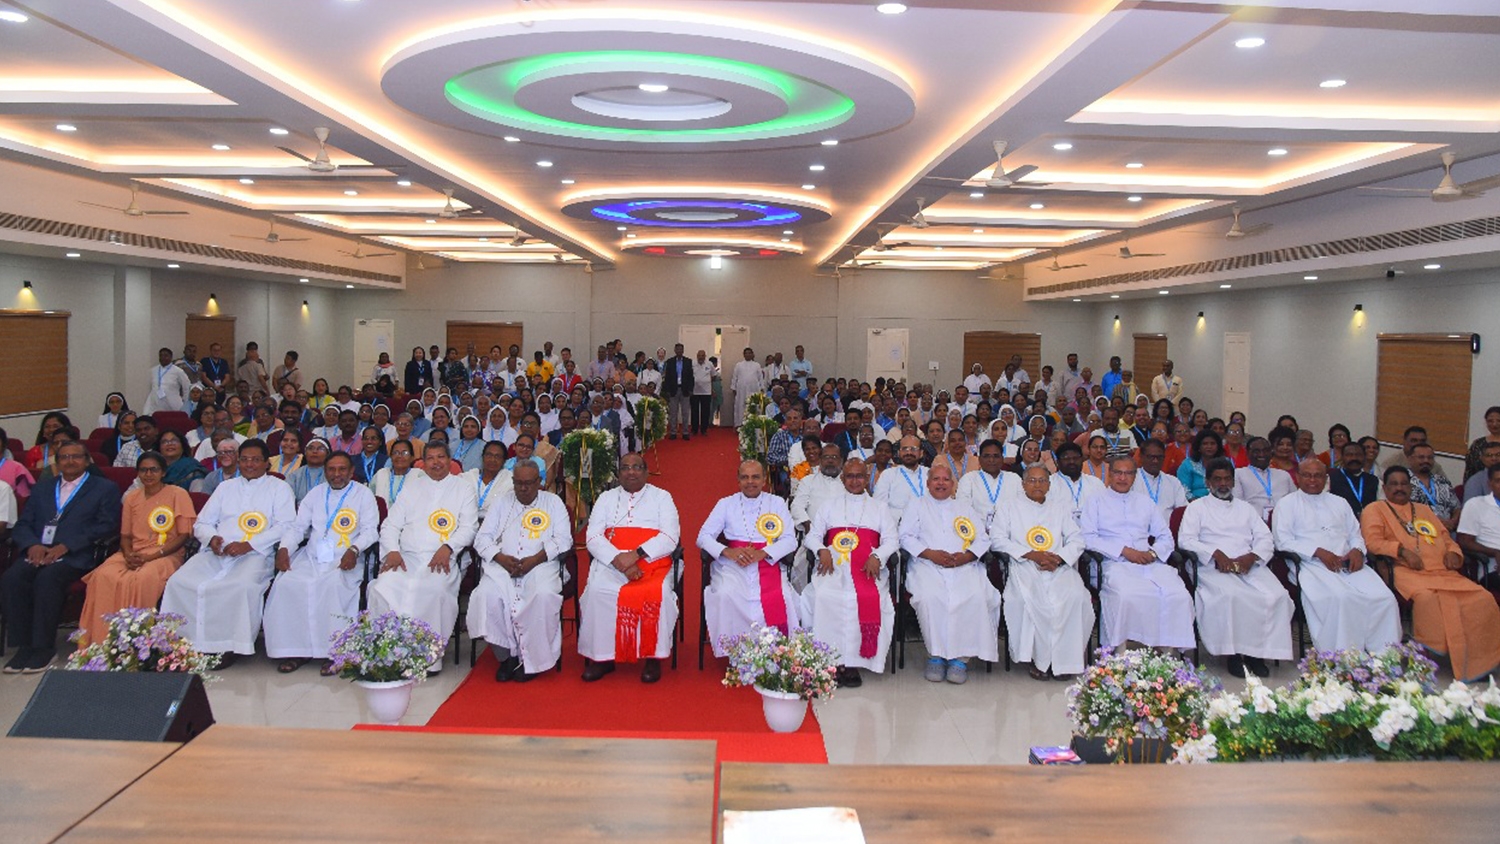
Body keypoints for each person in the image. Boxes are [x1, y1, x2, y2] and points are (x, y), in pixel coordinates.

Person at [161, 439, 295, 665]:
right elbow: (202, 523)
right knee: (179, 582)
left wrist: (249, 545)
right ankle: (181, 644)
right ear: (238, 461)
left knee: (239, 587)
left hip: (255, 555)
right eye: (244, 459)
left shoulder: (279, 488)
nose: (249, 464)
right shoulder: (225, 487)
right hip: (216, 553)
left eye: (255, 460)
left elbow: (286, 525)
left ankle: (228, 646)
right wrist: (211, 538)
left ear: (267, 463)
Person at [1365, 466, 1500, 682]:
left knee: (1482, 598)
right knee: (1428, 598)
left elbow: (1446, 538)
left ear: (1410, 487)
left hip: (1442, 571)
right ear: (1385, 487)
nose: (1399, 488)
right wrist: (1401, 551)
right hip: (1406, 571)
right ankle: (1425, 656)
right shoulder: (1375, 509)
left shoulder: (1423, 509)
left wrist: (1454, 553)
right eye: (1394, 484)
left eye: (1404, 484)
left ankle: (1476, 662)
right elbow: (1373, 542)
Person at [2, 442, 122, 673]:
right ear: (57, 463)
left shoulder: (104, 488)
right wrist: (32, 545)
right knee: (12, 578)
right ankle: (24, 646)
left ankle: (44, 648)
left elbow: (106, 525)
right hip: (38, 552)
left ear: (87, 461)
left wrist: (66, 546)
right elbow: (24, 524)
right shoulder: (43, 488)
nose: (70, 461)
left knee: (47, 579)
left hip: (77, 554)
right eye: (64, 457)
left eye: (76, 457)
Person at [263, 451, 380, 674]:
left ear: (351, 472)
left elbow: (370, 531)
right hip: (312, 556)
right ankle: (296, 650)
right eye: (331, 470)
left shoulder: (363, 494)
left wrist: (354, 549)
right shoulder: (315, 494)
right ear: (325, 472)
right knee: (287, 583)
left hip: (346, 558)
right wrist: (285, 548)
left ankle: (336, 652)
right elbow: (298, 528)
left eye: (342, 469)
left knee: (332, 586)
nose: (336, 474)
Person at [1179, 458, 1294, 679]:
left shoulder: (1246, 508)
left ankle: (1257, 655)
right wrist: (1215, 554)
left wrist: (1252, 557)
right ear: (1208, 482)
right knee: (1232, 596)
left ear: (1233, 481)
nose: (1223, 484)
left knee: (1276, 596)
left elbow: (1265, 538)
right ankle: (1234, 654)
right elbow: (1186, 540)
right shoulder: (1196, 508)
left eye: (1227, 479)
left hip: (1248, 565)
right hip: (1212, 567)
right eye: (1217, 479)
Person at [369, 440, 478, 672]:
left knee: (434, 590)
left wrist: (448, 547)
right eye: (430, 458)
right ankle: (387, 654)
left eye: (441, 457)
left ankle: (426, 659)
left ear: (450, 460)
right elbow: (390, 525)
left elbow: (469, 527)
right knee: (382, 586)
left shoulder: (463, 488)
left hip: (443, 559)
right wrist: (392, 551)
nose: (436, 463)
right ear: (423, 462)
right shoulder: (411, 487)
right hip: (406, 557)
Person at [1272, 458, 1400, 652]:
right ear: (1297, 477)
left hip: (1349, 563)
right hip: (1311, 565)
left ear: (1326, 479)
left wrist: (1357, 550)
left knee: (1385, 598)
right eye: (1307, 475)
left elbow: (1355, 534)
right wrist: (1318, 552)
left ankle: (1385, 657)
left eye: (1318, 476)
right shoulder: (1286, 504)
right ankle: (1343, 658)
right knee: (1343, 598)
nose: (1312, 480)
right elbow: (1282, 541)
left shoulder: (1340, 502)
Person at [75, 451, 196, 646]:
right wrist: (128, 554)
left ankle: (138, 643)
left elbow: (184, 535)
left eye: (153, 470)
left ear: (163, 472)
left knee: (141, 579)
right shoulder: (132, 497)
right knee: (102, 576)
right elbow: (125, 536)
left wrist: (153, 556)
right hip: (134, 552)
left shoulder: (178, 494)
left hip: (166, 554)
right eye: (143, 470)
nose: (148, 474)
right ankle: (101, 641)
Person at [579, 452, 681, 683]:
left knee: (659, 594)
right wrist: (620, 561)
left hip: (651, 562)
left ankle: (652, 656)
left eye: (636, 467)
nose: (631, 472)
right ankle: (603, 658)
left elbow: (670, 536)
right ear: (618, 473)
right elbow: (593, 537)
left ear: (646, 472)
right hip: (612, 562)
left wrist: (635, 556)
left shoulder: (662, 497)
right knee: (597, 592)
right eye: (625, 468)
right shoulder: (606, 498)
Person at [467, 461, 570, 682]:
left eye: (529, 483)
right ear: (512, 482)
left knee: (543, 596)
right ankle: (506, 656)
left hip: (541, 566)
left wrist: (535, 559)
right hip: (502, 568)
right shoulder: (501, 502)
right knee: (485, 596)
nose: (524, 488)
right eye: (519, 483)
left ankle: (534, 661)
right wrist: (500, 558)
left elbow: (564, 540)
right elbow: (482, 539)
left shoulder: (553, 502)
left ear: (539, 482)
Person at [801, 456, 897, 687]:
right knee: (823, 596)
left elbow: (892, 540)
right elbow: (812, 536)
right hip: (834, 566)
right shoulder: (829, 506)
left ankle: (852, 662)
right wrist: (821, 549)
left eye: (860, 476)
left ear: (867, 478)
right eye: (850, 476)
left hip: (867, 568)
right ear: (843, 478)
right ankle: (830, 660)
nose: (855, 481)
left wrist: (877, 556)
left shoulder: (880, 508)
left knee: (863, 597)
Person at [899, 463, 995, 684]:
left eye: (945, 479)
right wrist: (930, 554)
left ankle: (961, 659)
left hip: (964, 566)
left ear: (953, 484)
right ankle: (936, 655)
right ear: (928, 483)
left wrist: (967, 557)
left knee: (974, 596)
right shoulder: (916, 505)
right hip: (926, 565)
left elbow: (982, 538)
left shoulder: (965, 507)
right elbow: (905, 537)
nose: (941, 483)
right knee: (930, 597)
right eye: (936, 479)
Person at [995, 465, 1093, 680]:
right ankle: (1039, 660)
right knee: (1031, 600)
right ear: (1023, 484)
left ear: (1049, 485)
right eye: (1032, 480)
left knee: (1076, 597)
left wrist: (1060, 558)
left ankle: (1065, 661)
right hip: (1025, 565)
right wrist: (1031, 554)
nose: (1037, 485)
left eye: (1042, 481)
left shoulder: (1060, 508)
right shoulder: (1008, 507)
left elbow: (1077, 539)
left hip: (1058, 566)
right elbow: (997, 540)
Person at [1083, 455, 1190, 652]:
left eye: (1128, 473)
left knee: (1177, 594)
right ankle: (1120, 652)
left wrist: (1153, 553)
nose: (1123, 478)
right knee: (1126, 595)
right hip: (1112, 563)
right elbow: (1088, 537)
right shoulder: (1095, 501)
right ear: (1110, 475)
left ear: (1135, 476)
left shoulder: (1145, 502)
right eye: (1118, 473)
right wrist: (1124, 551)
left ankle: (1166, 653)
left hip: (1149, 562)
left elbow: (1165, 536)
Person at [699, 459, 800, 655]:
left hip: (767, 562)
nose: (750, 482)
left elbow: (790, 540)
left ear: (764, 480)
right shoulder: (725, 504)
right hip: (733, 565)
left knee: (785, 596)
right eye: (745, 477)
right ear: (738, 480)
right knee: (726, 593)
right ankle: (734, 649)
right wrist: (728, 552)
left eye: (755, 477)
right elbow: (703, 537)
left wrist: (763, 553)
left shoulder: (776, 503)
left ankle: (774, 648)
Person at [1234, 436, 1294, 521]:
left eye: (1266, 451)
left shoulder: (1284, 475)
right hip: (1252, 522)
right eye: (1256, 451)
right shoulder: (1238, 474)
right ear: (1247, 453)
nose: (1261, 454)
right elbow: (1238, 504)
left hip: (1283, 521)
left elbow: (1294, 501)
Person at [1408, 443, 1461, 533]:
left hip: (1448, 530)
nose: (1426, 461)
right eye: (1421, 457)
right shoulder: (1403, 481)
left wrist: (1452, 522)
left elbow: (1457, 508)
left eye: (1430, 458)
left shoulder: (1442, 481)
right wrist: (1437, 522)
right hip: (1419, 530)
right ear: (1410, 459)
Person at [1051, 442, 1104, 527]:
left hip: (1091, 531)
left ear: (1082, 460)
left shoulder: (1095, 483)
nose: (1072, 462)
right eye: (1066, 458)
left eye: (1075, 458)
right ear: (1058, 462)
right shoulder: (1049, 484)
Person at [1132, 439, 1187, 519]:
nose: (1155, 461)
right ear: (1141, 457)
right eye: (1151, 457)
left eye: (1159, 457)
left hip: (1167, 526)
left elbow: (1182, 510)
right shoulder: (1131, 479)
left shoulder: (1173, 482)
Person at [874, 435, 928, 512]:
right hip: (896, 519)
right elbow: (878, 506)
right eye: (904, 449)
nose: (909, 452)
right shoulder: (888, 475)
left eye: (913, 449)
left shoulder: (930, 474)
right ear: (899, 453)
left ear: (921, 453)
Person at [1327, 441, 1378, 518]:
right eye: (1349, 455)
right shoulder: (1330, 478)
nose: (1354, 458)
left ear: (1364, 457)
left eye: (1358, 455)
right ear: (1342, 457)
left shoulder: (1375, 481)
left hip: (1368, 522)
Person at [142, 347, 194, 414]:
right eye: (161, 356)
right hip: (155, 403)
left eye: (166, 356)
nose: (163, 358)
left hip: (172, 403)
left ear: (171, 357)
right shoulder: (153, 370)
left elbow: (186, 387)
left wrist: (185, 402)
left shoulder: (178, 371)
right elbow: (149, 387)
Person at [660, 343, 694, 440]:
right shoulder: (670, 361)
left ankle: (685, 432)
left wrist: (690, 389)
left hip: (685, 389)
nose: (679, 351)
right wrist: (667, 390)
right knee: (673, 412)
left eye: (681, 349)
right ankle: (673, 432)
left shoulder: (688, 361)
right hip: (673, 390)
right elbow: (667, 377)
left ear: (683, 351)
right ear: (675, 350)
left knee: (685, 412)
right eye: (677, 349)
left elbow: (691, 377)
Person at [1177, 430, 1222, 502]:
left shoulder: (1224, 463)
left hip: (1221, 502)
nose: (1209, 446)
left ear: (1218, 446)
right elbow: (1184, 490)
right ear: (1199, 447)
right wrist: (1198, 505)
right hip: (1194, 503)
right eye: (1205, 444)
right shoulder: (1187, 464)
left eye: (1212, 443)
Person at [285, 437, 329, 505]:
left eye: (320, 449)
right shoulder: (295, 475)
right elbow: (285, 498)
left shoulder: (333, 474)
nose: (315, 451)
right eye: (310, 448)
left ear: (328, 453)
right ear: (305, 453)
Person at [728, 347, 765, 428]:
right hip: (741, 389)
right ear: (743, 355)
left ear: (752, 354)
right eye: (746, 353)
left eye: (749, 353)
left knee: (753, 405)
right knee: (741, 405)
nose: (748, 355)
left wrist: (762, 387)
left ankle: (753, 424)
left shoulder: (757, 365)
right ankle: (740, 424)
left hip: (753, 388)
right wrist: (733, 388)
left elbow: (760, 378)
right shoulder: (739, 365)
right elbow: (735, 377)